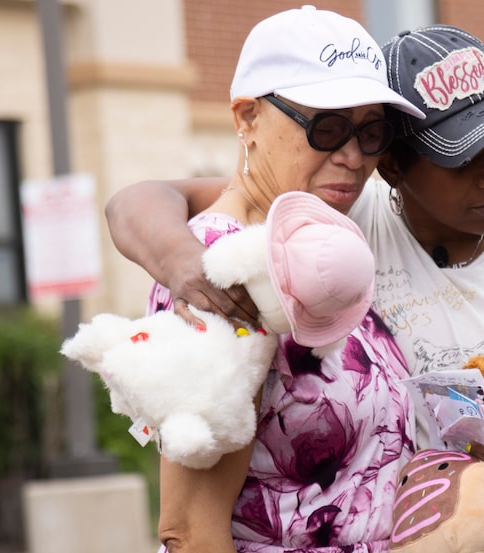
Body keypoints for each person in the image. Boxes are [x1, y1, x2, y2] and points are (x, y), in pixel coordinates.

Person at [107, 21, 484, 530]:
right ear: (396, 167)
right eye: (463, 155)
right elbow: (146, 199)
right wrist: (184, 264)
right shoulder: (336, 223)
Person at [135, 6, 428, 553]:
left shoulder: (312, 238)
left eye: (372, 132)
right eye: (328, 126)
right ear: (247, 117)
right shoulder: (227, 273)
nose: (352, 156)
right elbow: (190, 531)